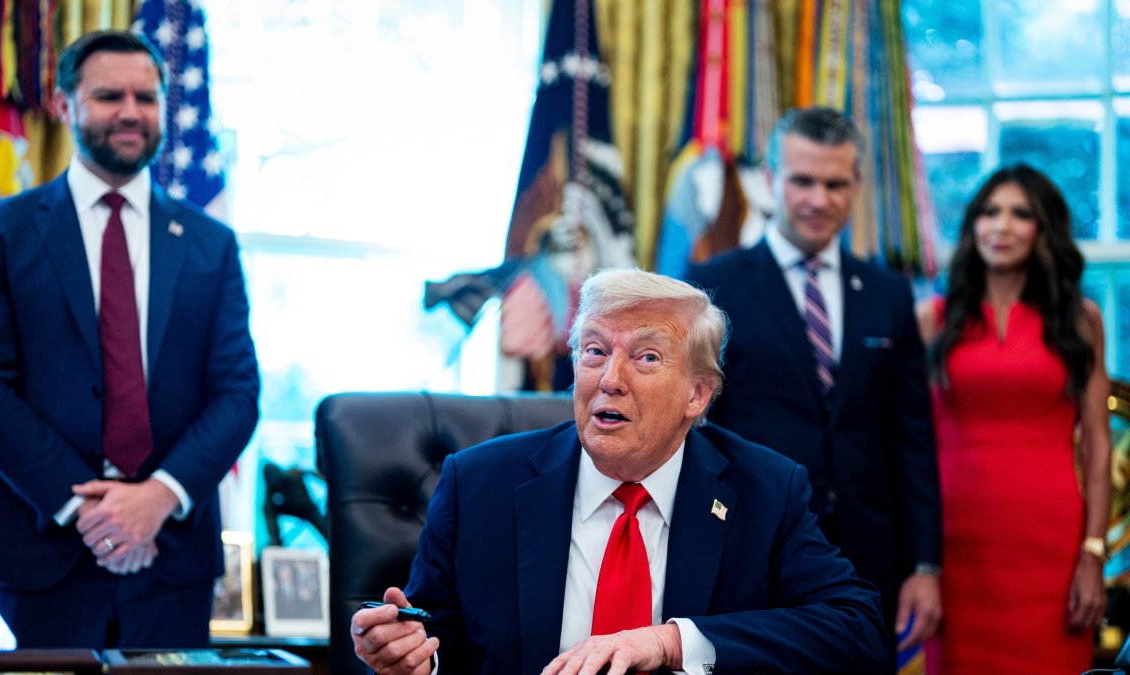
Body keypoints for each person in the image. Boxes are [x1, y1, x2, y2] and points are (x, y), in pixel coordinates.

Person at [351, 268, 888, 675]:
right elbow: (435, 638)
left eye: (646, 358)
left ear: (697, 394)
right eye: (594, 351)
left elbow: (857, 629)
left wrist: (671, 642)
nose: (610, 378)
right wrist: (413, 660)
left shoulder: (765, 489)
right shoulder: (480, 484)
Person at [0, 30, 260, 649]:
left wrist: (156, 498)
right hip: (40, 553)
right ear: (65, 105)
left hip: (172, 560)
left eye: (146, 97)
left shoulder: (210, 243)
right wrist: (90, 507)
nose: (130, 112)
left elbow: (238, 393)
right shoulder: (0, 230)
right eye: (108, 95)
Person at [682, 106, 943, 657]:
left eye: (835, 183)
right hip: (749, 550)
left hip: (869, 564)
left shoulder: (888, 294)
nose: (819, 200)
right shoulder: (710, 287)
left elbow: (913, 440)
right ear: (772, 179)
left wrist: (925, 566)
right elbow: (695, 434)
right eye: (803, 180)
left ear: (856, 187)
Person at [915, 164, 1110, 673]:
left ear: (1043, 230)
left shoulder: (1082, 320)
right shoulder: (932, 319)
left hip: (1052, 547)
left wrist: (1094, 552)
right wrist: (918, 561)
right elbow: (908, 442)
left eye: (1020, 214)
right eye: (989, 212)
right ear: (972, 225)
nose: (1001, 226)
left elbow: (1098, 445)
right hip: (954, 549)